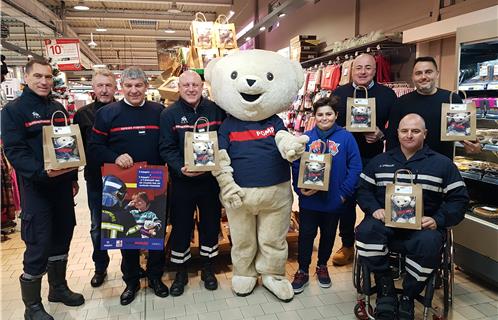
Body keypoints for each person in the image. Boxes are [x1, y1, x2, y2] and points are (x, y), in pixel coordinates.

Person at [355, 113, 469, 320]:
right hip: (384, 223)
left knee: (429, 244)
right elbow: (363, 190)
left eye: (415, 131)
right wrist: (374, 209)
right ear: (397, 134)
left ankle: (409, 294)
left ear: (425, 134)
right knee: (365, 231)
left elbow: (459, 200)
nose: (409, 135)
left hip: (424, 227)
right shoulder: (379, 161)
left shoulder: (443, 165)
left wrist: (438, 220)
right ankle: (385, 285)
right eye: (404, 131)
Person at [1, 59, 84, 320]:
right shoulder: (14, 111)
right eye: (38, 76)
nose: (44, 82)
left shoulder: (57, 108)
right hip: (36, 189)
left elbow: (67, 147)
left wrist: (72, 178)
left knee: (62, 236)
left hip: (61, 188)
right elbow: (14, 150)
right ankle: (32, 306)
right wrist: (40, 171)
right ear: (26, 78)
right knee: (38, 242)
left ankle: (58, 288)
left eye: (48, 77)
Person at [88, 66, 168, 305]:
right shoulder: (108, 113)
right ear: (121, 87)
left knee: (154, 233)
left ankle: (155, 277)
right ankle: (131, 281)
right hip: (123, 184)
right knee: (128, 235)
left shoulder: (159, 112)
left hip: (154, 183)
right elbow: (94, 147)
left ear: (146, 86)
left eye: (139, 85)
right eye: (129, 86)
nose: (134, 90)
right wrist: (114, 156)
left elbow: (167, 143)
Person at [159, 70, 226, 296]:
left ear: (202, 86)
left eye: (194, 85)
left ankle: (209, 269)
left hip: (210, 182)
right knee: (181, 227)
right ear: (179, 88)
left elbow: (224, 139)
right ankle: (181, 272)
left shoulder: (216, 110)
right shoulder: (170, 114)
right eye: (185, 85)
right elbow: (166, 148)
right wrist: (180, 167)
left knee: (210, 225)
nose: (190, 89)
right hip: (182, 182)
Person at [331, 53, 397, 266]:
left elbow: (396, 128)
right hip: (345, 159)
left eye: (367, 68)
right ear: (351, 69)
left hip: (374, 159)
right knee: (346, 203)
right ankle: (347, 244)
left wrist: (381, 134)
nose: (362, 72)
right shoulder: (339, 94)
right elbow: (327, 123)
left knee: (375, 201)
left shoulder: (387, 95)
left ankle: (376, 241)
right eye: (358, 67)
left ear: (375, 70)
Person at [290, 96, 362, 294]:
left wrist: (344, 194)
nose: (324, 118)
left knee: (329, 234)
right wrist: (300, 190)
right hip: (310, 200)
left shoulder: (346, 138)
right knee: (306, 235)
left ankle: (322, 266)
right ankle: (303, 269)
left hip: (334, 200)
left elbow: (355, 167)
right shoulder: (306, 138)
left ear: (336, 115)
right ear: (314, 116)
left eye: (328, 114)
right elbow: (296, 164)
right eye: (320, 114)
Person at [387, 56, 481, 159]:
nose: (423, 77)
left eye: (428, 72)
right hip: (408, 164)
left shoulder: (452, 99)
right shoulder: (401, 102)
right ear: (412, 77)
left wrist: (473, 145)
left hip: (442, 164)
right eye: (418, 73)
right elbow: (392, 138)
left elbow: (461, 132)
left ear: (437, 74)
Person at [73, 68, 116, 288]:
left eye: (108, 85)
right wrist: (72, 179)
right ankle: (100, 267)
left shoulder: (126, 110)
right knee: (97, 225)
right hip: (96, 179)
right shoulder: (83, 115)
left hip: (124, 179)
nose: (104, 90)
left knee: (130, 221)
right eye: (100, 85)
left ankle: (133, 264)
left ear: (115, 86)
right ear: (93, 88)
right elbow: (74, 151)